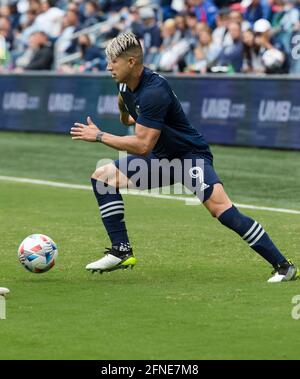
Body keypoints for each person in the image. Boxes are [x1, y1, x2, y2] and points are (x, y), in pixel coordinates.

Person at [70, 32, 299, 283]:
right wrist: (126, 114)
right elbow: (125, 105)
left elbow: (142, 145)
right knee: (103, 178)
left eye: (113, 61)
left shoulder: (154, 91)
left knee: (221, 210)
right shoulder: (125, 83)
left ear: (132, 62)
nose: (108, 67)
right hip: (162, 158)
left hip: (189, 156)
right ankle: (121, 250)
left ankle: (283, 266)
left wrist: (100, 135)